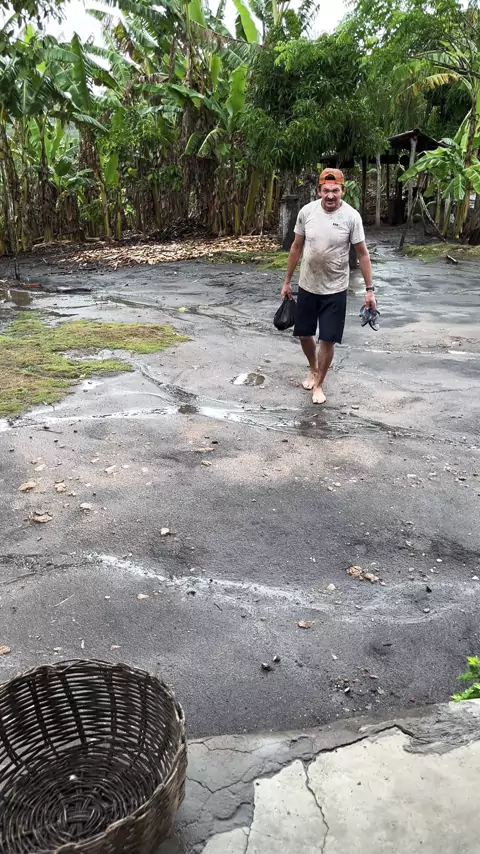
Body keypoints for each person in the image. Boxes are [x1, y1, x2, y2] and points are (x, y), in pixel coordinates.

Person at [281, 168, 376, 404]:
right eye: (326, 190)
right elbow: (296, 247)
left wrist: (369, 290)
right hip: (308, 285)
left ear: (343, 190)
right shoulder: (307, 212)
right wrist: (287, 282)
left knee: (328, 339)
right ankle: (313, 368)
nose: (330, 195)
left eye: (335, 190)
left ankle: (319, 385)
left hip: (336, 288)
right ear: (319, 191)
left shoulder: (351, 217)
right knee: (304, 334)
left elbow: (363, 254)